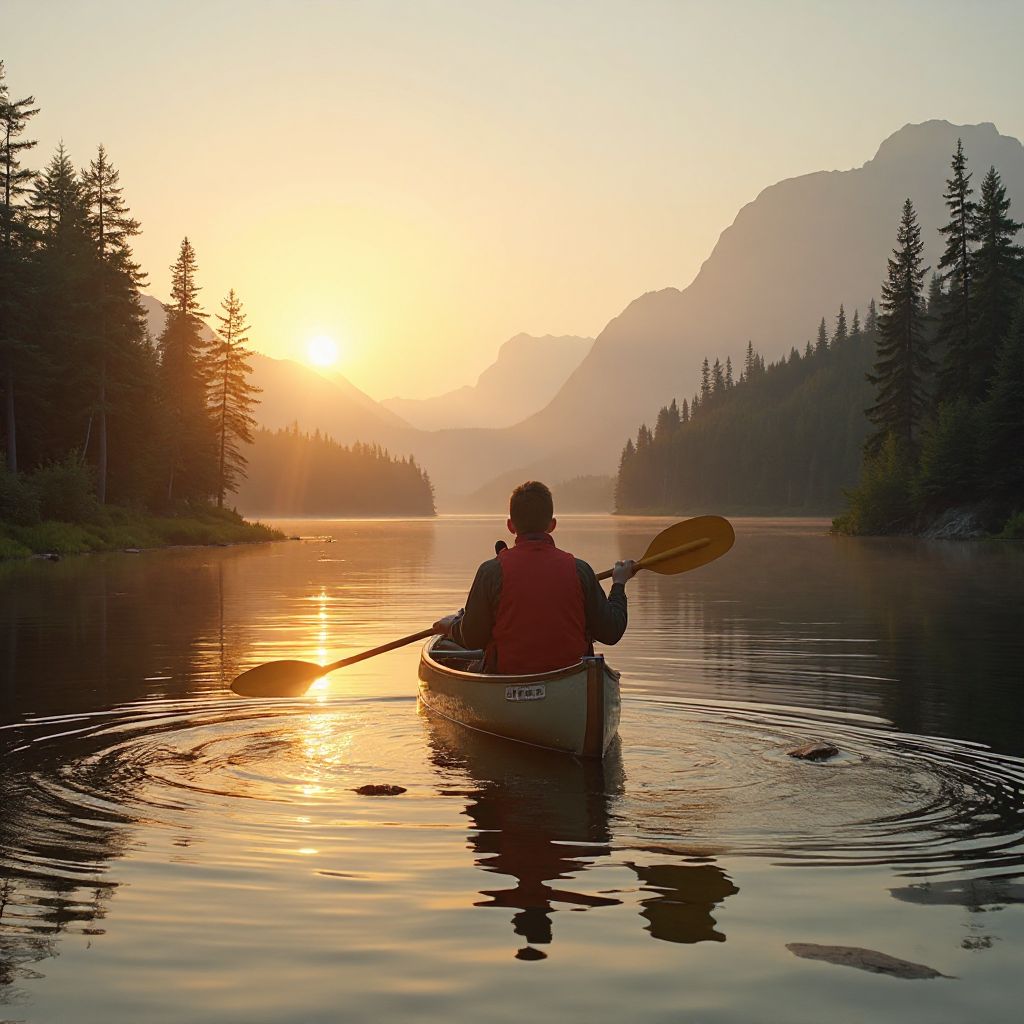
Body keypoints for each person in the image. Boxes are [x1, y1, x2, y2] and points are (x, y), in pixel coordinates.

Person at [433, 480, 635, 674]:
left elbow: (472, 638)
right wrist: (619, 584)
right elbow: (611, 632)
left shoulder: (490, 572)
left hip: (506, 677)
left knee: (450, 648)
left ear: (511, 526)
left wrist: (451, 626)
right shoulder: (580, 570)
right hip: (570, 677)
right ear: (552, 525)